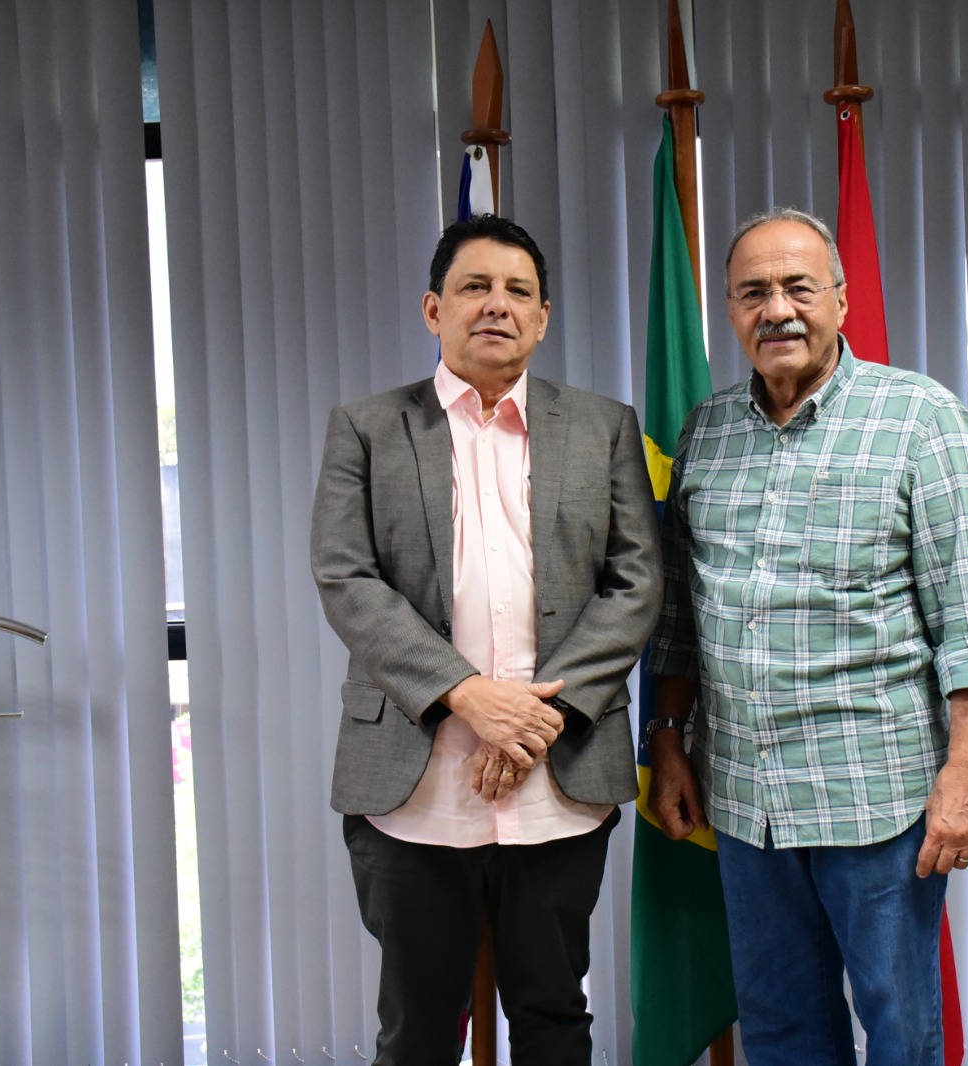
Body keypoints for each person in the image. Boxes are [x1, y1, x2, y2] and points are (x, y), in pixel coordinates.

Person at [645, 208, 968, 1066]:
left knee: (898, 1030)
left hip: (877, 800)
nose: (777, 309)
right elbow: (678, 622)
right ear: (731, 313)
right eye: (752, 293)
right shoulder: (705, 434)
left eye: (798, 288)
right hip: (745, 799)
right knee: (779, 1031)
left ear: (840, 302)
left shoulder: (919, 418)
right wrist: (666, 742)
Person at [311, 214, 662, 1065]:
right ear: (434, 310)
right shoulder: (367, 427)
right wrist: (471, 698)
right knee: (419, 1029)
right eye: (474, 287)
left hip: (559, 782)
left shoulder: (602, 426)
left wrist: (537, 718)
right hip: (416, 788)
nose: (496, 305)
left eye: (518, 291)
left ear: (543, 318)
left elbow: (636, 580)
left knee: (552, 1018)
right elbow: (346, 578)